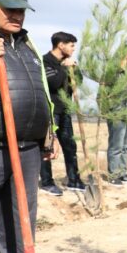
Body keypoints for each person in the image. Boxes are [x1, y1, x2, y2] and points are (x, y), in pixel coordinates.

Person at [0, 0, 59, 253]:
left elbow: (42, 90)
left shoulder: (27, 44)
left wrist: (49, 133)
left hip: (28, 146)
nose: (17, 15)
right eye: (9, 9)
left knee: (20, 213)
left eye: (21, 10)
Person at [39, 32, 84, 195]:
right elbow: (53, 83)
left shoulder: (67, 62)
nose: (73, 49)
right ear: (61, 45)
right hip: (51, 111)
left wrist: (74, 69)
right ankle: (47, 182)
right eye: (71, 45)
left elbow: (78, 82)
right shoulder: (45, 61)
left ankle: (74, 179)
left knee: (70, 146)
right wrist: (64, 68)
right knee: (47, 147)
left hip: (65, 110)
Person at [104, 48, 127, 185]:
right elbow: (103, 95)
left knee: (126, 145)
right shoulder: (112, 72)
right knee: (116, 146)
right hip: (117, 113)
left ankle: (123, 173)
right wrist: (111, 111)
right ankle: (113, 175)